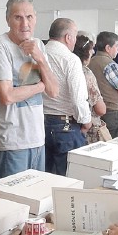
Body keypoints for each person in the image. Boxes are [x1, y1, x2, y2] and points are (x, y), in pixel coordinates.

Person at [0, 0, 59, 179]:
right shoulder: (0, 46)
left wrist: (40, 58)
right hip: (13, 141)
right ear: (8, 19)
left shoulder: (39, 46)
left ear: (35, 18)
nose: (24, 23)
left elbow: (54, 91)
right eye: (18, 17)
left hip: (37, 138)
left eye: (29, 17)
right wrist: (40, 86)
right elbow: (7, 96)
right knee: (13, 202)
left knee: (35, 197)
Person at [43, 18, 91, 175]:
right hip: (66, 127)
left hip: (40, 124)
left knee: (44, 178)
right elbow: (78, 99)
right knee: (70, 180)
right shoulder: (70, 60)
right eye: (75, 36)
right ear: (68, 37)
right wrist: (86, 121)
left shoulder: (38, 55)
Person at [88, 31, 118, 138]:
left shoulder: (90, 63)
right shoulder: (110, 66)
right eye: (116, 46)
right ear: (108, 48)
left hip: (96, 112)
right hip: (114, 113)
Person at [73, 35, 106, 144]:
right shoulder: (86, 73)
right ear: (86, 53)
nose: (92, 52)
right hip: (88, 130)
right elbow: (100, 109)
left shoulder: (67, 68)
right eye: (91, 50)